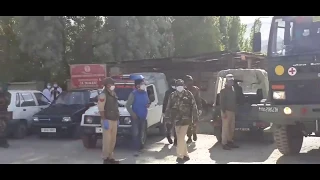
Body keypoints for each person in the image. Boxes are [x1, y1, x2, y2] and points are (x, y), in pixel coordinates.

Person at [164, 79, 198, 163]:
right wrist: (167, 118)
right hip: (176, 119)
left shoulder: (188, 94)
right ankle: (186, 154)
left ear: (184, 86)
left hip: (186, 119)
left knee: (180, 137)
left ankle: (180, 156)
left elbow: (194, 106)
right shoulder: (172, 95)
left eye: (181, 85)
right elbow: (168, 107)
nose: (179, 87)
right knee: (180, 137)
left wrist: (195, 118)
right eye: (178, 85)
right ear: (175, 87)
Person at [125, 78, 150, 156]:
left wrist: (148, 104)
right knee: (135, 133)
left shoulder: (145, 93)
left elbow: (148, 101)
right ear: (137, 86)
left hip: (143, 116)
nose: (143, 85)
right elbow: (127, 105)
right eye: (142, 84)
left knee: (141, 133)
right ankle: (135, 149)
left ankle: (140, 148)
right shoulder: (133, 94)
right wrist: (133, 114)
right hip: (136, 117)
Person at [97, 77, 120, 164]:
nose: (113, 85)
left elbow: (115, 106)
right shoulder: (103, 95)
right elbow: (101, 108)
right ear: (107, 85)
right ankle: (105, 158)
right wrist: (104, 119)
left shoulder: (113, 93)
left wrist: (117, 118)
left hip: (114, 119)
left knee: (113, 140)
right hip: (107, 120)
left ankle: (111, 157)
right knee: (107, 140)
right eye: (112, 84)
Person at [220, 74, 239, 150]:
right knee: (225, 128)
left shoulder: (233, 89)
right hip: (226, 111)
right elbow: (222, 102)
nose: (231, 82)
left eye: (232, 81)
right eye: (229, 81)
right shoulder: (223, 91)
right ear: (226, 82)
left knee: (231, 128)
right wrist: (223, 112)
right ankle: (224, 143)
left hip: (232, 111)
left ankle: (230, 141)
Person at [184, 75, 202, 144]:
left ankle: (194, 133)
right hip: (186, 109)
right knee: (188, 124)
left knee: (194, 123)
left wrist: (199, 108)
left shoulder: (195, 89)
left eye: (190, 81)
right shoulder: (184, 90)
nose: (189, 83)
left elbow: (198, 99)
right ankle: (189, 137)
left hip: (194, 109)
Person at [163, 79, 177, 145]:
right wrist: (163, 112)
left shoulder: (178, 92)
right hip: (169, 112)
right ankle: (168, 135)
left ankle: (176, 139)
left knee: (176, 126)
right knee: (169, 126)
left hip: (177, 111)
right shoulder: (168, 92)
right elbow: (165, 102)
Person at [0, 84, 10, 148]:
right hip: (3, 113)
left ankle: (3, 143)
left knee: (3, 128)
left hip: (3, 114)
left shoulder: (7, 95)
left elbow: (7, 102)